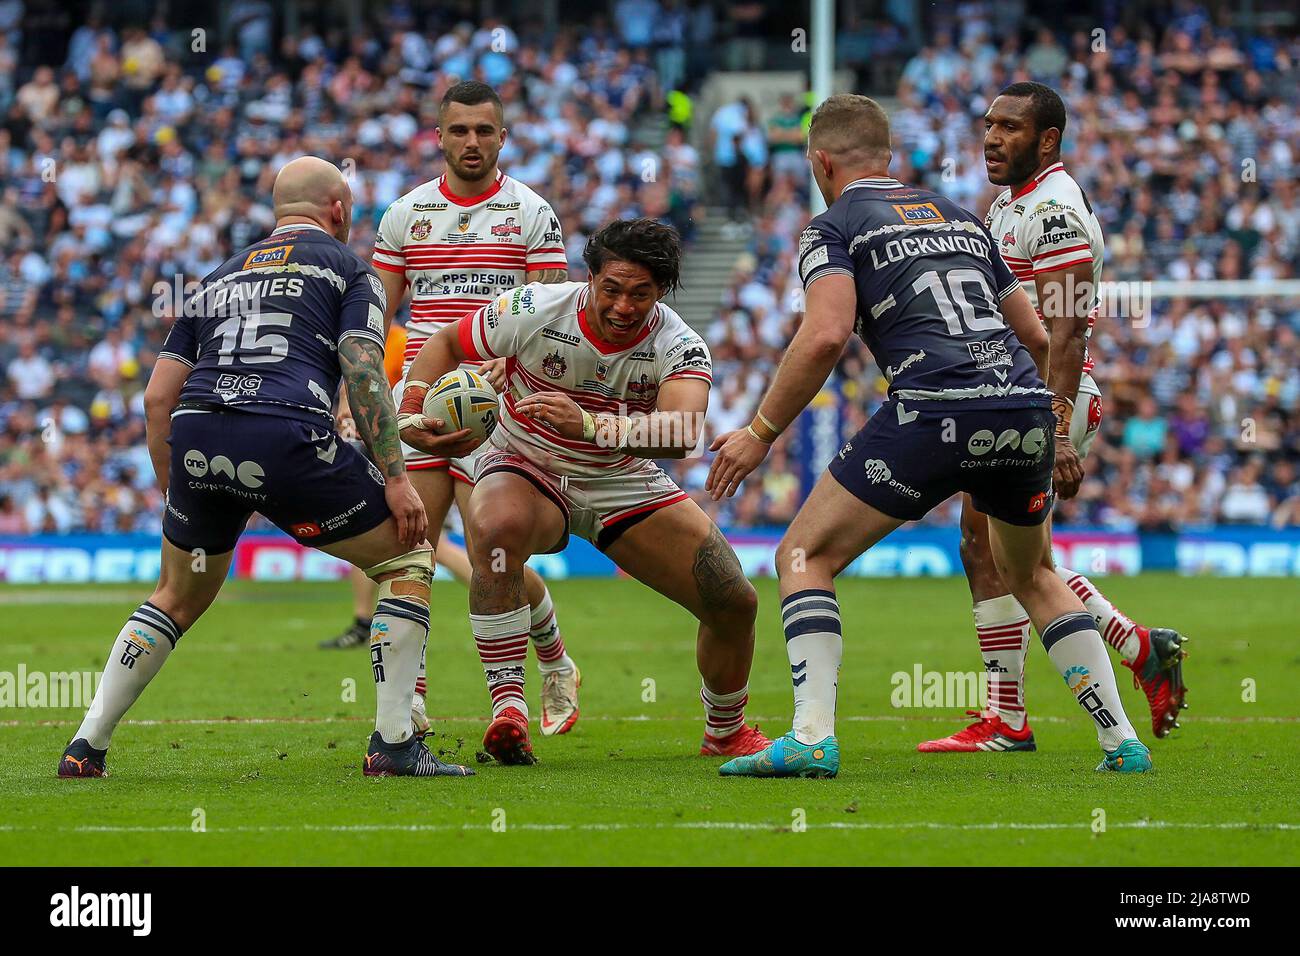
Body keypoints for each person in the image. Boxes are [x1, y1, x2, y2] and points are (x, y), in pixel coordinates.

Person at [707, 94, 1151, 777]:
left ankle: (811, 736)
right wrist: (1037, 425)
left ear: (820, 161)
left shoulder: (833, 226)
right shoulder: (965, 218)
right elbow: (1035, 334)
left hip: (935, 407)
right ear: (887, 158)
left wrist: (761, 433)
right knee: (1030, 572)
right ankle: (1121, 740)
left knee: (802, 555)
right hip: (1024, 406)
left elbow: (825, 333)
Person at [57, 157, 473, 779]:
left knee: (175, 595)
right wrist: (397, 478)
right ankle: (393, 744)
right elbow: (362, 371)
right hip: (285, 432)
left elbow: (155, 399)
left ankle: (85, 747)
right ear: (339, 209)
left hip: (198, 431)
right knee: (408, 558)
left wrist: (178, 488)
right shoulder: (350, 270)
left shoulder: (217, 277)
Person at [398, 218, 769, 765]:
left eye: (640, 294)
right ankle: (508, 712)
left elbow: (682, 431)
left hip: (624, 479)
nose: (623, 306)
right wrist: (410, 413)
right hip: (524, 461)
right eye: (611, 289)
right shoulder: (531, 309)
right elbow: (447, 341)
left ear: (661, 292)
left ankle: (725, 730)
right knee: (496, 529)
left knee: (733, 601)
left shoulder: (679, 344)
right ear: (589, 277)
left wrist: (592, 425)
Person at [917, 82, 1187, 754]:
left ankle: (1016, 716)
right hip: (1013, 400)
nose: (991, 138)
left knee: (1010, 558)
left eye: (1009, 126)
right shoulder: (1010, 203)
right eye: (988, 124)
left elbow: (1065, 337)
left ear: (1048, 140)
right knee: (995, 551)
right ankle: (1129, 648)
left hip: (1044, 401)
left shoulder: (1057, 212)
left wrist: (1056, 431)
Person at [328, 81, 583, 740]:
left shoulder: (532, 213)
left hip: (505, 406)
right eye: (460, 130)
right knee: (406, 548)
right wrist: (352, 397)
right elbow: (373, 319)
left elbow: (551, 314)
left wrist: (510, 363)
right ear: (438, 136)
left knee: (493, 551)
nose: (472, 142)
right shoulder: (404, 214)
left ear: (504, 137)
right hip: (422, 401)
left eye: (485, 131)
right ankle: (408, 703)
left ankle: (554, 661)